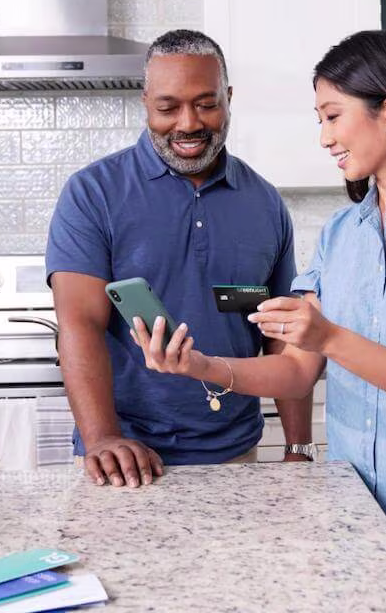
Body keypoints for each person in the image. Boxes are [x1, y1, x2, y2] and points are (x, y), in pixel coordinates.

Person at [130, 29, 386, 613]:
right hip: (359, 521)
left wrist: (328, 337)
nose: (324, 137)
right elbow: (297, 371)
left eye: (333, 116)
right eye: (319, 119)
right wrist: (200, 367)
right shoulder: (342, 234)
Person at [46, 28, 315, 490]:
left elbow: (282, 335)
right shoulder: (93, 193)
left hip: (237, 454)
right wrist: (103, 437)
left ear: (229, 99)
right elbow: (80, 324)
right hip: (125, 461)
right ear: (145, 102)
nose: (188, 123)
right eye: (168, 108)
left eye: (206, 104)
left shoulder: (265, 202)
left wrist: (299, 447)